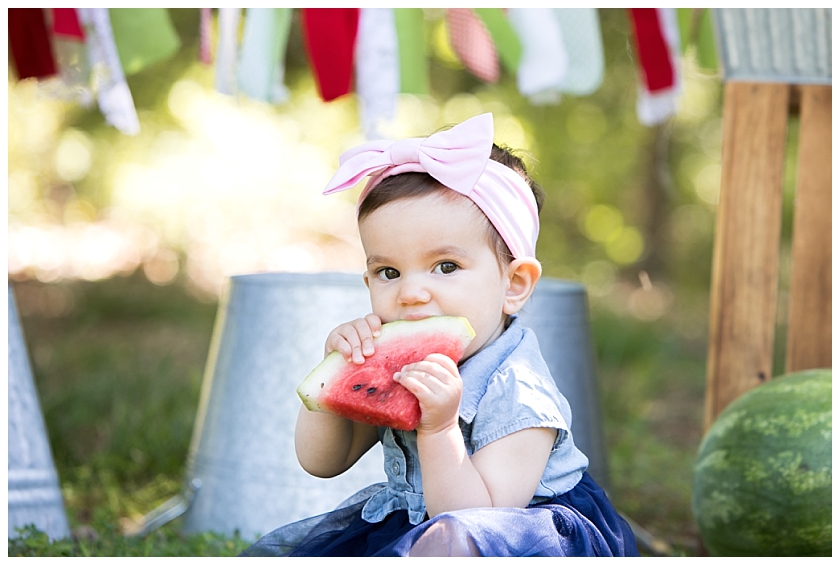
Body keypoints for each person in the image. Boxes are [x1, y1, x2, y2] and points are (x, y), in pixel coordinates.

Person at [241, 113, 639, 557]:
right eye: (388, 272)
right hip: (417, 527)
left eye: (445, 267)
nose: (411, 293)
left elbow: (476, 523)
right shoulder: (399, 360)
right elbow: (322, 462)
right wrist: (331, 376)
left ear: (514, 284)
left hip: (513, 539)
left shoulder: (519, 391)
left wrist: (440, 428)